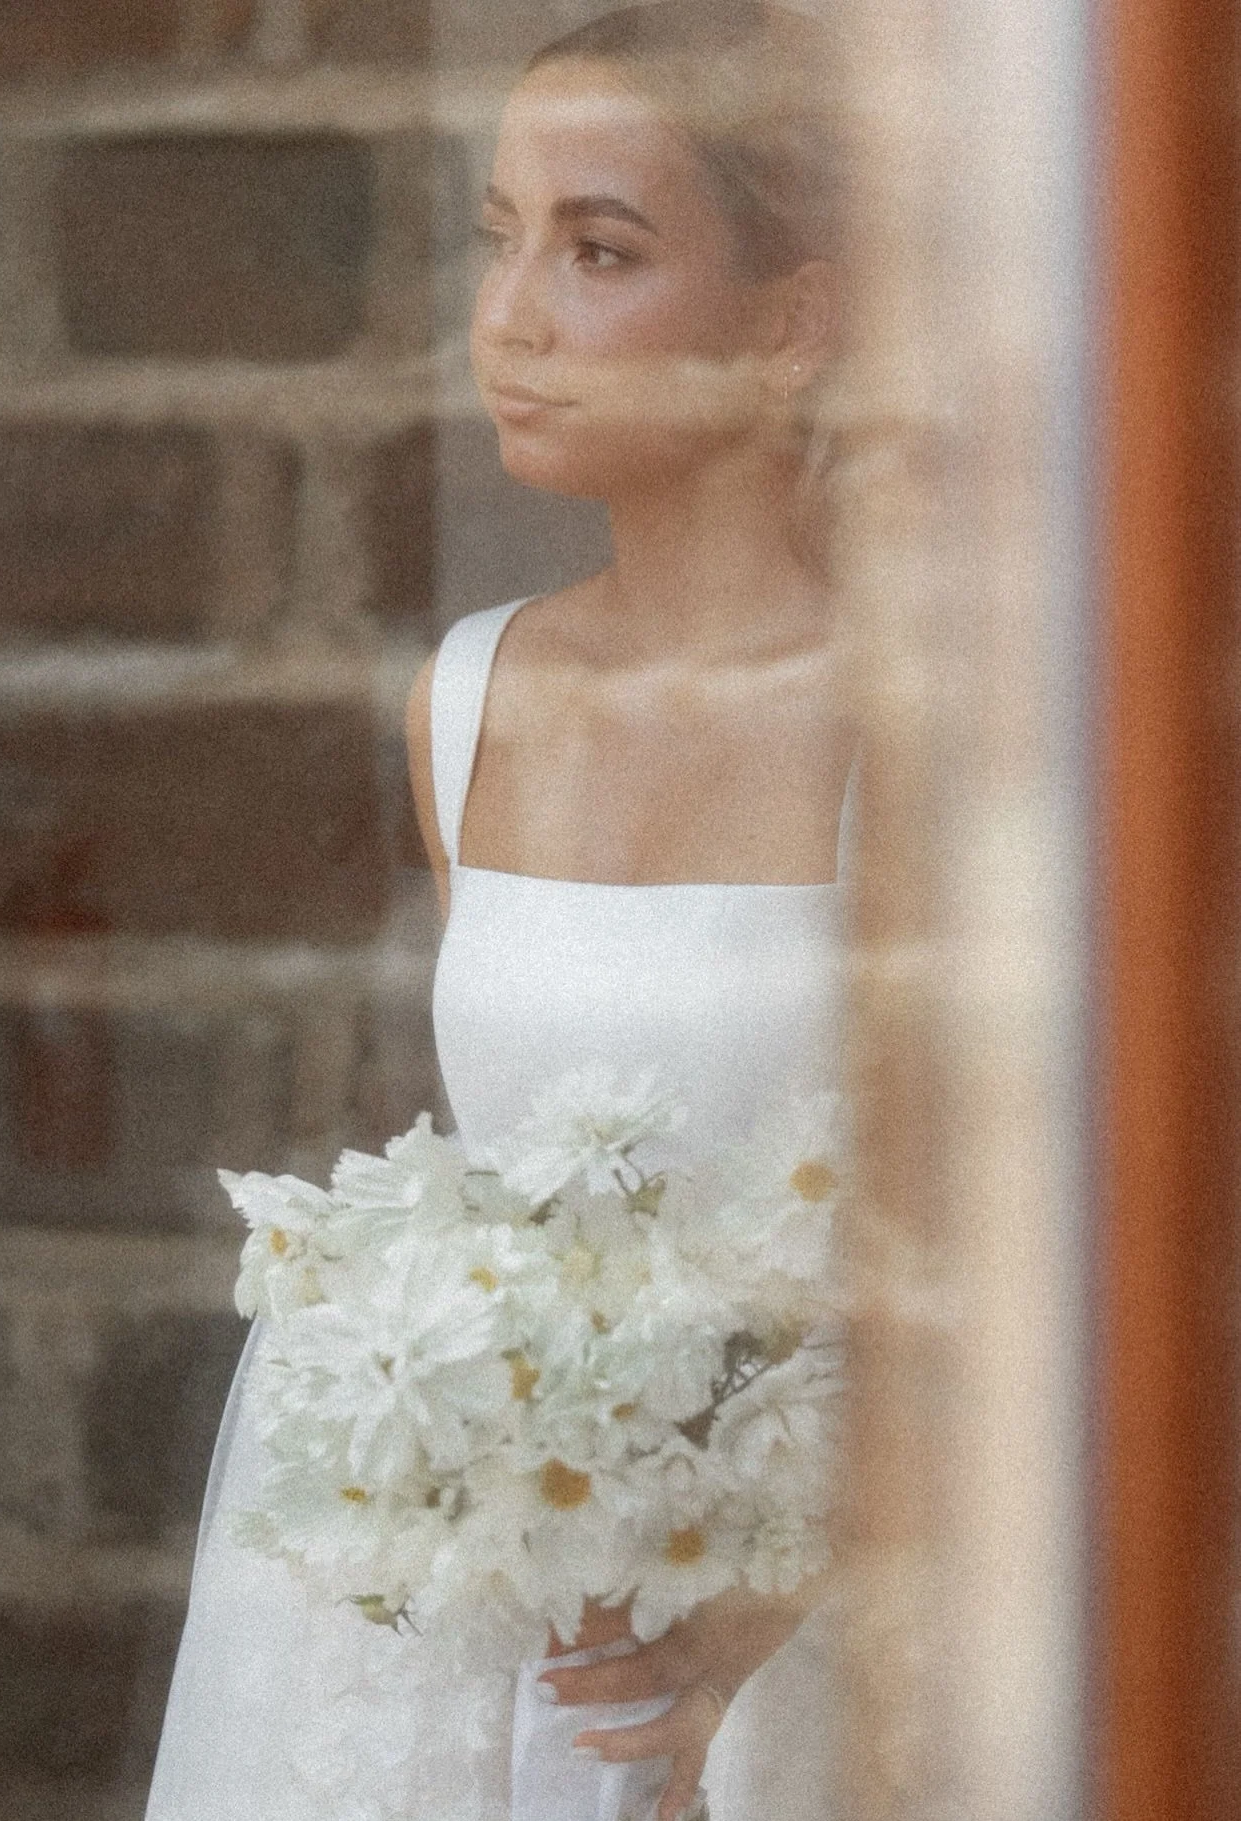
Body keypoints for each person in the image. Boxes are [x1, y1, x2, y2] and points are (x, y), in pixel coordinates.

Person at [143, 5, 853, 1819]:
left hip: (812, 1610)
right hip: (495, 1605)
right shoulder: (463, 697)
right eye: (496, 235)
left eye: (597, 249)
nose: (510, 316)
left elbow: (1020, 1230)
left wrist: (771, 1591)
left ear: (790, 325)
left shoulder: (912, 717)